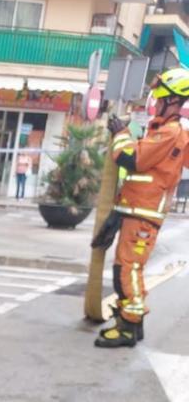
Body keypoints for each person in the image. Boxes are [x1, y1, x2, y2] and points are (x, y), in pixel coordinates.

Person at [94, 68, 189, 348]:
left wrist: (121, 134)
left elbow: (131, 159)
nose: (155, 103)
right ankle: (132, 323)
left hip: (144, 213)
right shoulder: (161, 131)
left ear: (173, 102)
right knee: (124, 268)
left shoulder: (169, 133)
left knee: (128, 269)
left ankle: (129, 325)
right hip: (136, 209)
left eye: (160, 99)